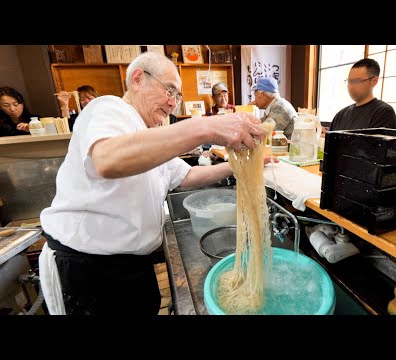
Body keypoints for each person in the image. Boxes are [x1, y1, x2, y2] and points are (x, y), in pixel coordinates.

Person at [39, 51, 266, 315]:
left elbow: (187, 175)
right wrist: (207, 127)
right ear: (138, 79)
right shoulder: (108, 109)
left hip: (132, 267)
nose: (173, 104)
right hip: (87, 269)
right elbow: (106, 159)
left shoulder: (149, 137)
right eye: (170, 90)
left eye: (177, 96)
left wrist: (242, 166)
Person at [329, 58, 396, 131]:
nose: (351, 86)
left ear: (374, 81)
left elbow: (376, 142)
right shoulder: (341, 115)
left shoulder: (383, 113)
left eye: (356, 81)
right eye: (349, 81)